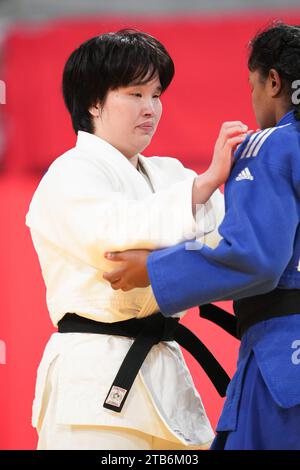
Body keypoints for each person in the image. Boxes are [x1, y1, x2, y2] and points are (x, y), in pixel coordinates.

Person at [25, 29, 247, 450]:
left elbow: (229, 247)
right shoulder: (69, 173)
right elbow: (115, 239)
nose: (151, 109)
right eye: (135, 94)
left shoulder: (170, 174)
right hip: (90, 386)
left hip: (166, 378)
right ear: (94, 101)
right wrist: (203, 188)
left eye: (156, 95)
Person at [103, 23, 300, 450]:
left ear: (272, 81)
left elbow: (255, 258)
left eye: (253, 85)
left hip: (287, 361)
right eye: (136, 94)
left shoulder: (271, 146)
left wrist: (154, 269)